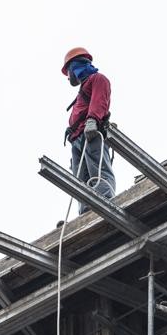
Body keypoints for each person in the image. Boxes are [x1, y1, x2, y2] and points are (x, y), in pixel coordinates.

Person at [61, 47, 116, 214]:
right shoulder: (82, 90)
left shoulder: (97, 79)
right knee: (81, 179)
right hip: (77, 137)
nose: (69, 77)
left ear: (74, 66)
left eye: (68, 71)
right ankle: (86, 211)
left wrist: (93, 120)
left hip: (90, 133)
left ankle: (105, 200)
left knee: (98, 170)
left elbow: (100, 100)